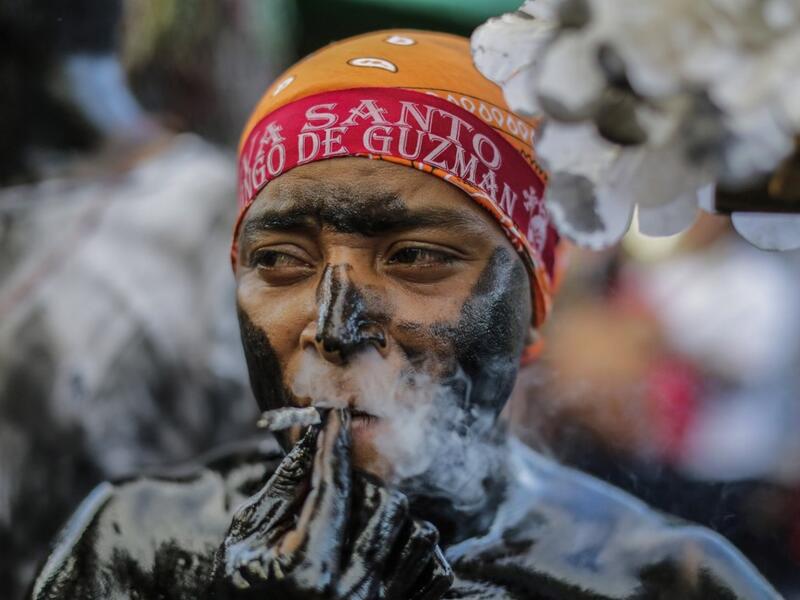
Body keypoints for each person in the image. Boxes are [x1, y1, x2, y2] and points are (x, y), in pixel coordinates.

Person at [29, 30, 780, 599]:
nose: (335, 327)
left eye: (416, 256)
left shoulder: (660, 581)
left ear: (531, 309)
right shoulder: (141, 541)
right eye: (280, 260)